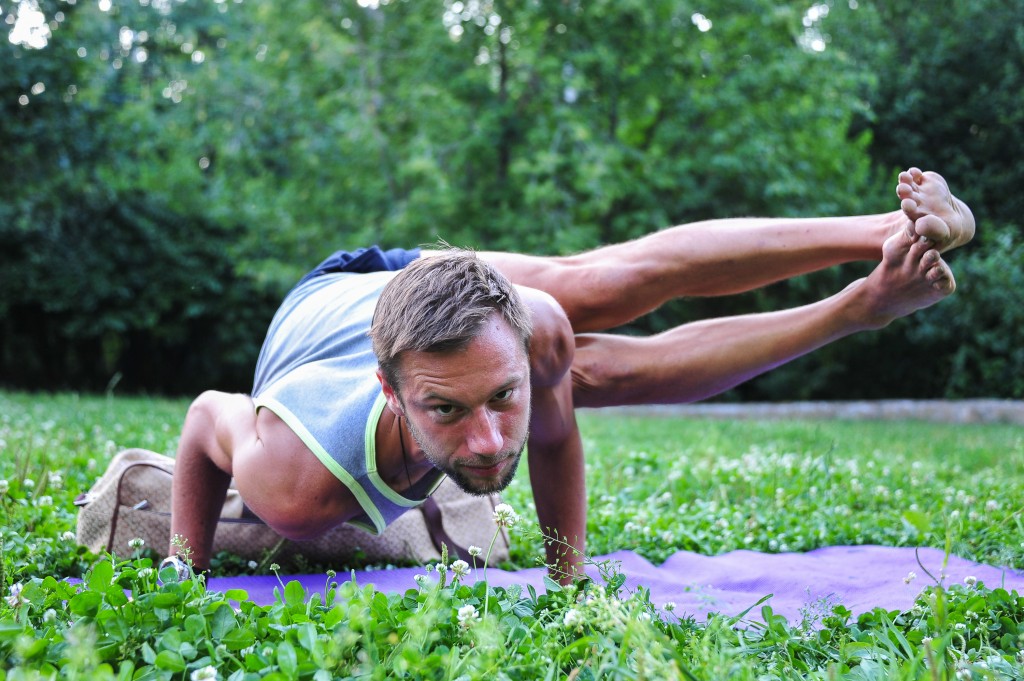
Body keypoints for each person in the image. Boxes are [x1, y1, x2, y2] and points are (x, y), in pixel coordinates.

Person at [167, 168, 974, 582]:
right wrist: (185, 568)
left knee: (595, 284)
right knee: (608, 373)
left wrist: (569, 581)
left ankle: (886, 228)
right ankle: (860, 307)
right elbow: (207, 418)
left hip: (429, 301)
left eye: (504, 395)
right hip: (338, 303)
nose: (488, 444)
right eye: (447, 410)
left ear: (518, 351)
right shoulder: (296, 486)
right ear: (394, 392)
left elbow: (553, 438)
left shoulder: (536, 329)